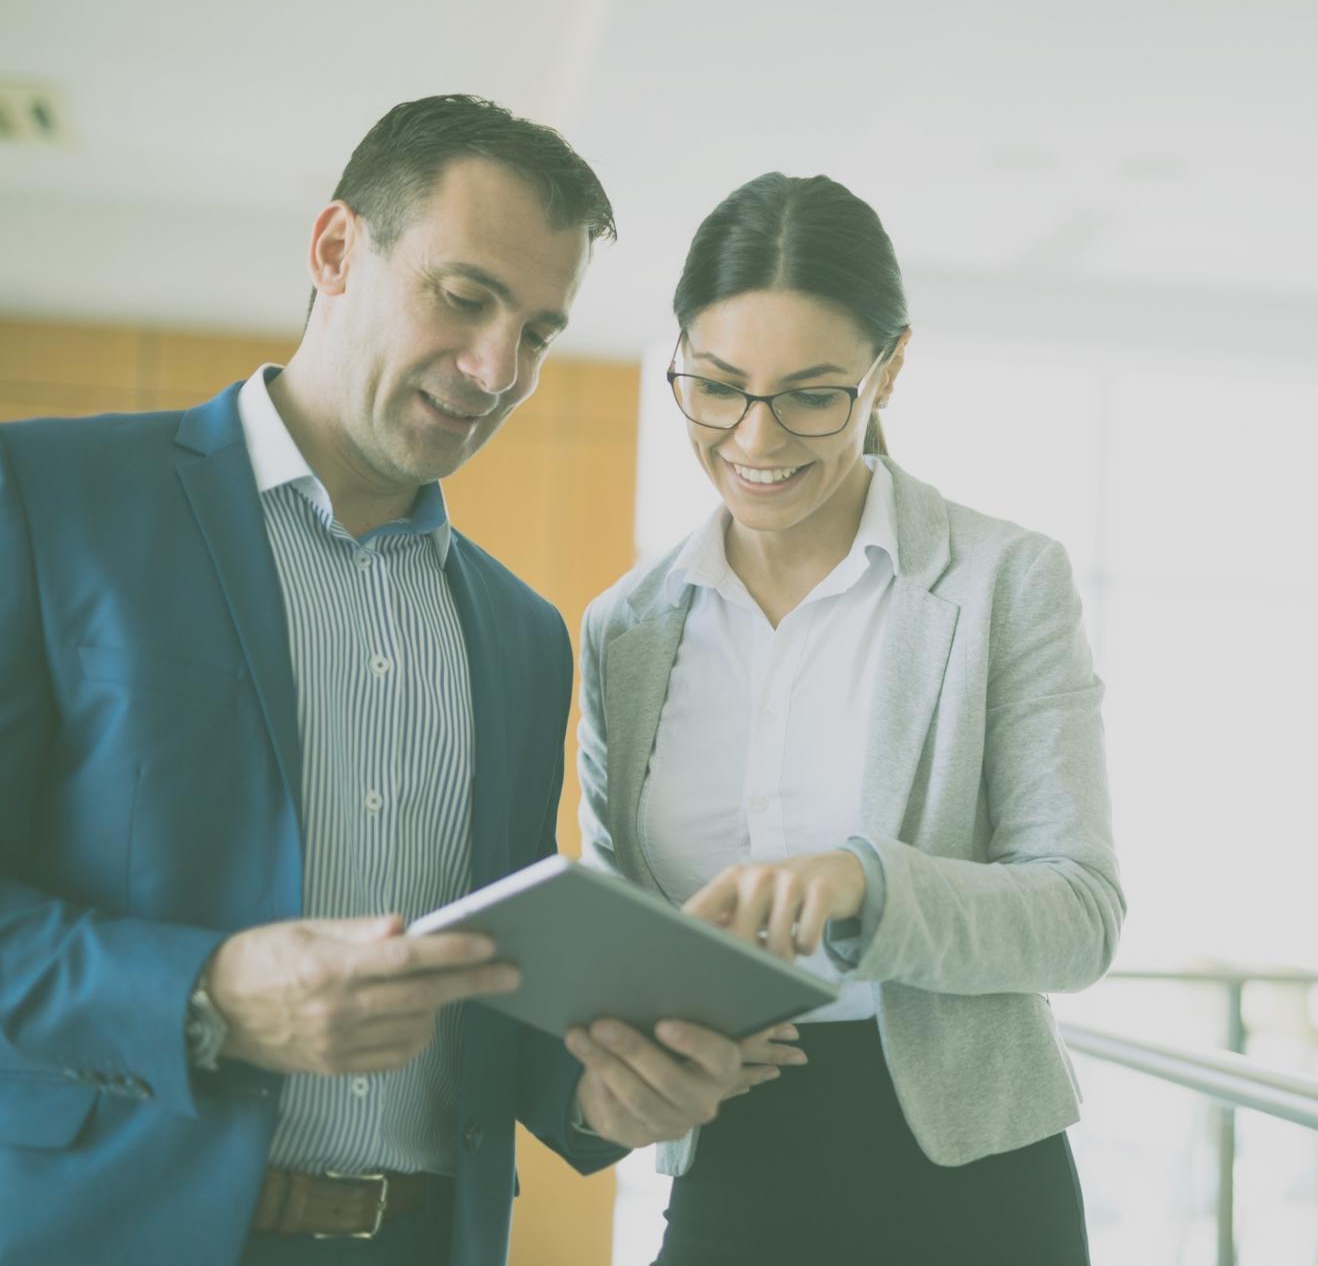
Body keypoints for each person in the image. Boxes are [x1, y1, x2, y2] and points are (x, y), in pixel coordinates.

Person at [0, 95, 752, 1266]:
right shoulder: (50, 501)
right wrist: (205, 992)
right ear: (337, 251)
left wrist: (602, 1095)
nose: (497, 367)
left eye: (540, 332)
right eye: (464, 298)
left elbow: (489, 979)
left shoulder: (520, 634)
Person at [577, 172, 1124, 1265]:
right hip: (728, 1157)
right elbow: (622, 928)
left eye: (811, 394)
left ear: (890, 371)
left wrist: (865, 882)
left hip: (969, 1176)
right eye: (717, 385)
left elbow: (1079, 916)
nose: (754, 436)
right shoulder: (624, 630)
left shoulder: (1000, 581)